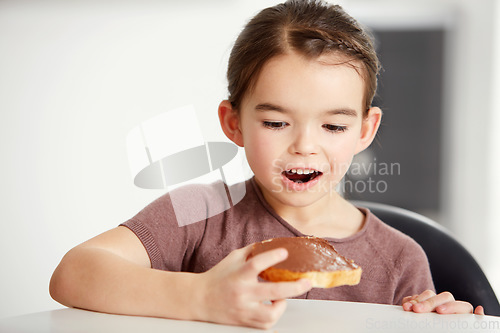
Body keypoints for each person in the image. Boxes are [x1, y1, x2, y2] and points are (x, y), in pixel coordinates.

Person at [49, 0, 484, 329]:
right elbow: (74, 273)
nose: (304, 146)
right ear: (233, 122)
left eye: (333, 126)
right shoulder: (197, 214)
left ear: (365, 131)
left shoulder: (400, 260)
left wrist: (443, 321)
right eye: (276, 122)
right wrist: (199, 297)